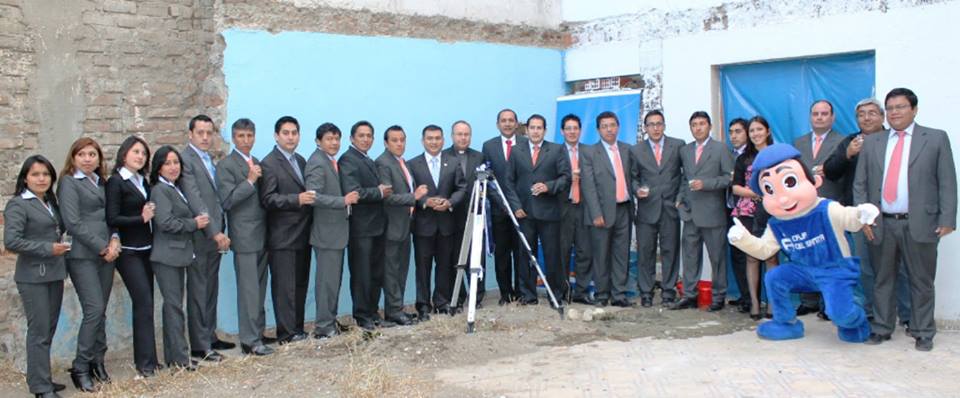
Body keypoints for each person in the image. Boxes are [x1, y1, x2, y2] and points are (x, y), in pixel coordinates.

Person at [855, 87, 957, 351]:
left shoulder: (934, 138)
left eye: (900, 107)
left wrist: (948, 218)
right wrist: (864, 217)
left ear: (914, 109)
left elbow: (947, 181)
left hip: (920, 222)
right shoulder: (874, 142)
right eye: (889, 108)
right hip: (881, 222)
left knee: (921, 280)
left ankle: (923, 331)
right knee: (882, 279)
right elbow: (861, 184)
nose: (894, 112)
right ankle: (882, 327)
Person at [823, 98, 911, 326]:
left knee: (900, 268)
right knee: (867, 268)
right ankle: (874, 313)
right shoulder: (851, 141)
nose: (867, 118)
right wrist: (848, 154)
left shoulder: (894, 140)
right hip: (860, 216)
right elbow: (830, 171)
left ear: (882, 117)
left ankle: (907, 315)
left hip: (893, 214)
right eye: (861, 114)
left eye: (872, 113)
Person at [5, 155, 70, 398]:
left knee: (48, 329)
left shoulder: (48, 202)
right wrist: (47, 248)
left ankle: (41, 378)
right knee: (39, 331)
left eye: (46, 174)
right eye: (35, 174)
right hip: (33, 277)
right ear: (25, 178)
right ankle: (41, 388)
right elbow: (11, 241)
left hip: (54, 273)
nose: (41, 178)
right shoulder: (18, 204)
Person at [57, 138, 119, 391]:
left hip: (107, 255)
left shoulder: (102, 182)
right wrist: (102, 247)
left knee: (101, 310)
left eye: (92, 154)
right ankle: (80, 365)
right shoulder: (69, 183)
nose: (87, 159)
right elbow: (72, 222)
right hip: (84, 255)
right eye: (82, 154)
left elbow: (111, 216)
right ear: (73, 158)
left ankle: (97, 361)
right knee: (93, 309)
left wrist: (115, 240)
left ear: (99, 158)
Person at [216, 118, 274, 355]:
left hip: (262, 234)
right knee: (249, 289)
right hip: (244, 236)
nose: (246, 140)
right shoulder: (226, 166)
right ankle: (249, 341)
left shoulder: (257, 162)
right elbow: (227, 200)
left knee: (259, 288)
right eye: (241, 136)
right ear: (233, 137)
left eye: (250, 136)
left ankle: (258, 332)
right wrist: (250, 181)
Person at [179, 114, 233, 362]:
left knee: (211, 287)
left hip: (215, 234)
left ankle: (210, 335)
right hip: (202, 235)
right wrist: (214, 232)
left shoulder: (209, 159)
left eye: (209, 133)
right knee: (199, 289)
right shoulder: (186, 160)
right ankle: (200, 346)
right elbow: (195, 199)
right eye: (200, 132)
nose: (205, 137)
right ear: (190, 134)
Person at [105, 136, 160, 377]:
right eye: (136, 152)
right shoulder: (116, 182)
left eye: (143, 154)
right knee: (144, 302)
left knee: (147, 305)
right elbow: (112, 218)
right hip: (128, 252)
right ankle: (145, 364)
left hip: (146, 249)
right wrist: (141, 219)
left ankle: (150, 360)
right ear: (124, 153)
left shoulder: (142, 180)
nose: (140, 156)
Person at [503, 114, 570, 306]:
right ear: (526, 130)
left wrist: (549, 186)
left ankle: (555, 294)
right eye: (532, 127)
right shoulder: (516, 151)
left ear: (545, 130)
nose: (535, 131)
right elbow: (509, 182)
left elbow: (565, 178)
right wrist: (515, 207)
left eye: (539, 128)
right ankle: (528, 295)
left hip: (549, 213)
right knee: (525, 256)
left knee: (552, 256)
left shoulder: (557, 150)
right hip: (525, 213)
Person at [149, 146, 204, 372]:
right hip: (167, 255)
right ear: (159, 167)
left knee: (173, 307)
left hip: (178, 253)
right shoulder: (160, 190)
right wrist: (194, 224)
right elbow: (166, 222)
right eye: (168, 163)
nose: (173, 167)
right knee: (174, 307)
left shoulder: (175, 187)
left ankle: (176, 357)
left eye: (176, 162)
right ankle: (181, 359)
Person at [260, 116, 313, 343]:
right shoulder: (269, 163)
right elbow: (268, 199)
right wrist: (297, 199)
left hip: (303, 234)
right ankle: (286, 332)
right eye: (286, 133)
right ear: (276, 136)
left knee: (300, 284)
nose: (291, 137)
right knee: (284, 288)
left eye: (294, 133)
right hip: (282, 236)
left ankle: (297, 328)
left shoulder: (301, 160)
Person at [673, 111, 734, 311]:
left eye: (702, 124)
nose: (698, 128)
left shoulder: (721, 149)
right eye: (694, 125)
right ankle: (689, 295)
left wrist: (706, 184)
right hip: (690, 214)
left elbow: (729, 178)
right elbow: (684, 177)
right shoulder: (685, 150)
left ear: (710, 126)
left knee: (717, 258)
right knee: (690, 257)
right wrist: (680, 199)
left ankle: (718, 296)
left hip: (713, 213)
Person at [305, 123, 359, 338]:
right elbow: (312, 196)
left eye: (337, 138)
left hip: (336, 233)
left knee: (333, 280)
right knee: (327, 282)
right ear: (319, 141)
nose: (334, 143)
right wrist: (342, 201)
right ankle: (323, 327)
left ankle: (329, 321)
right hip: (326, 234)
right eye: (329, 139)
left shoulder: (329, 161)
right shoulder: (317, 162)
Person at [409, 125, 467, 318]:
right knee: (423, 268)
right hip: (423, 226)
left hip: (446, 225)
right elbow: (410, 193)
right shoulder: (412, 164)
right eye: (430, 138)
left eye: (437, 138)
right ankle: (423, 305)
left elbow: (462, 188)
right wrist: (425, 202)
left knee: (444, 266)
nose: (434, 142)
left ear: (443, 140)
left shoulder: (453, 162)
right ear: (423, 141)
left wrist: (449, 202)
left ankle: (442, 301)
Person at [793, 100, 844, 317]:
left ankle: (827, 303)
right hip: (803, 209)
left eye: (824, 114)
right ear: (810, 117)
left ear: (832, 117)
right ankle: (809, 300)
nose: (820, 117)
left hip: (829, 206)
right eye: (816, 113)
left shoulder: (842, 141)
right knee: (804, 255)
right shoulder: (799, 142)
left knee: (829, 258)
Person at [629, 110, 685, 308]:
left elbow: (685, 175)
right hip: (647, 209)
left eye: (659, 123)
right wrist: (637, 190)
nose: (655, 128)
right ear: (645, 128)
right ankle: (646, 292)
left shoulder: (678, 145)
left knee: (671, 251)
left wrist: (680, 198)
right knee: (646, 252)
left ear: (664, 125)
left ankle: (668, 292)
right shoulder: (636, 150)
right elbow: (633, 177)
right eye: (651, 124)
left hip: (670, 208)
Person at [339, 120, 391, 330]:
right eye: (361, 135)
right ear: (352, 138)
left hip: (377, 226)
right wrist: (378, 192)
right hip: (361, 228)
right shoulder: (348, 160)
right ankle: (362, 315)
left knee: (376, 273)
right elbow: (353, 192)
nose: (366, 139)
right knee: (362, 274)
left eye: (369, 135)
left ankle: (372, 311)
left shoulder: (367, 159)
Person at [580, 111, 633, 307]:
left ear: (618, 127)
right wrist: (596, 213)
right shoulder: (589, 152)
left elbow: (632, 178)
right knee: (601, 255)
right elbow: (588, 185)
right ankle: (602, 295)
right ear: (598, 130)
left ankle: (619, 295)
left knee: (621, 254)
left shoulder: (628, 150)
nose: (609, 129)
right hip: (601, 213)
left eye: (612, 125)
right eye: (605, 126)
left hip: (624, 209)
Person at [375, 125, 427, 325]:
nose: (399, 144)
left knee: (401, 270)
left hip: (404, 225)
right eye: (394, 140)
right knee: (391, 271)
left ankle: (398, 308)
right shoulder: (383, 163)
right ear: (386, 143)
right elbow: (387, 198)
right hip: (391, 227)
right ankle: (394, 311)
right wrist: (413, 197)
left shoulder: (400, 162)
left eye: (402, 140)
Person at [730, 116, 777, 319]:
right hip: (748, 211)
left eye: (759, 129)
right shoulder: (743, 159)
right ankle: (755, 304)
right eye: (752, 131)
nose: (755, 134)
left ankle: (774, 305)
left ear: (767, 131)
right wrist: (755, 193)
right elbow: (735, 187)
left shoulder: (778, 155)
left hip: (774, 210)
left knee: (771, 257)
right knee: (751, 257)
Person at [481, 109, 526, 305]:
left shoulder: (526, 144)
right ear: (498, 124)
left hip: (523, 210)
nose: (507, 124)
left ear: (516, 124)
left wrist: (517, 204)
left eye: (511, 121)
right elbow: (487, 179)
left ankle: (522, 291)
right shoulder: (489, 146)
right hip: (499, 211)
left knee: (522, 252)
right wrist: (503, 204)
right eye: (503, 121)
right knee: (502, 255)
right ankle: (505, 293)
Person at [444, 120, 486, 307]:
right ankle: (458, 296)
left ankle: (476, 297)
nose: (463, 137)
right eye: (459, 134)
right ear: (452, 136)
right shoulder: (443, 155)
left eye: (466, 134)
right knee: (454, 257)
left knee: (475, 256)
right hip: (450, 215)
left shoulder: (479, 156)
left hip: (475, 215)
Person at [558, 114, 595, 305]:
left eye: (575, 128)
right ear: (562, 131)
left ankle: (581, 291)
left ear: (580, 131)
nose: (572, 132)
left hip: (585, 208)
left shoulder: (590, 151)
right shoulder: (555, 152)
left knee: (585, 251)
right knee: (563, 251)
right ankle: (564, 292)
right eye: (568, 128)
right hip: (564, 209)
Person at [726, 119, 750, 313]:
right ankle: (744, 295)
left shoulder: (753, 156)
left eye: (738, 132)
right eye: (731, 132)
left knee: (750, 256)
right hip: (730, 209)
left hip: (748, 212)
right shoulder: (728, 154)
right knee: (736, 256)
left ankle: (753, 299)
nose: (734, 135)